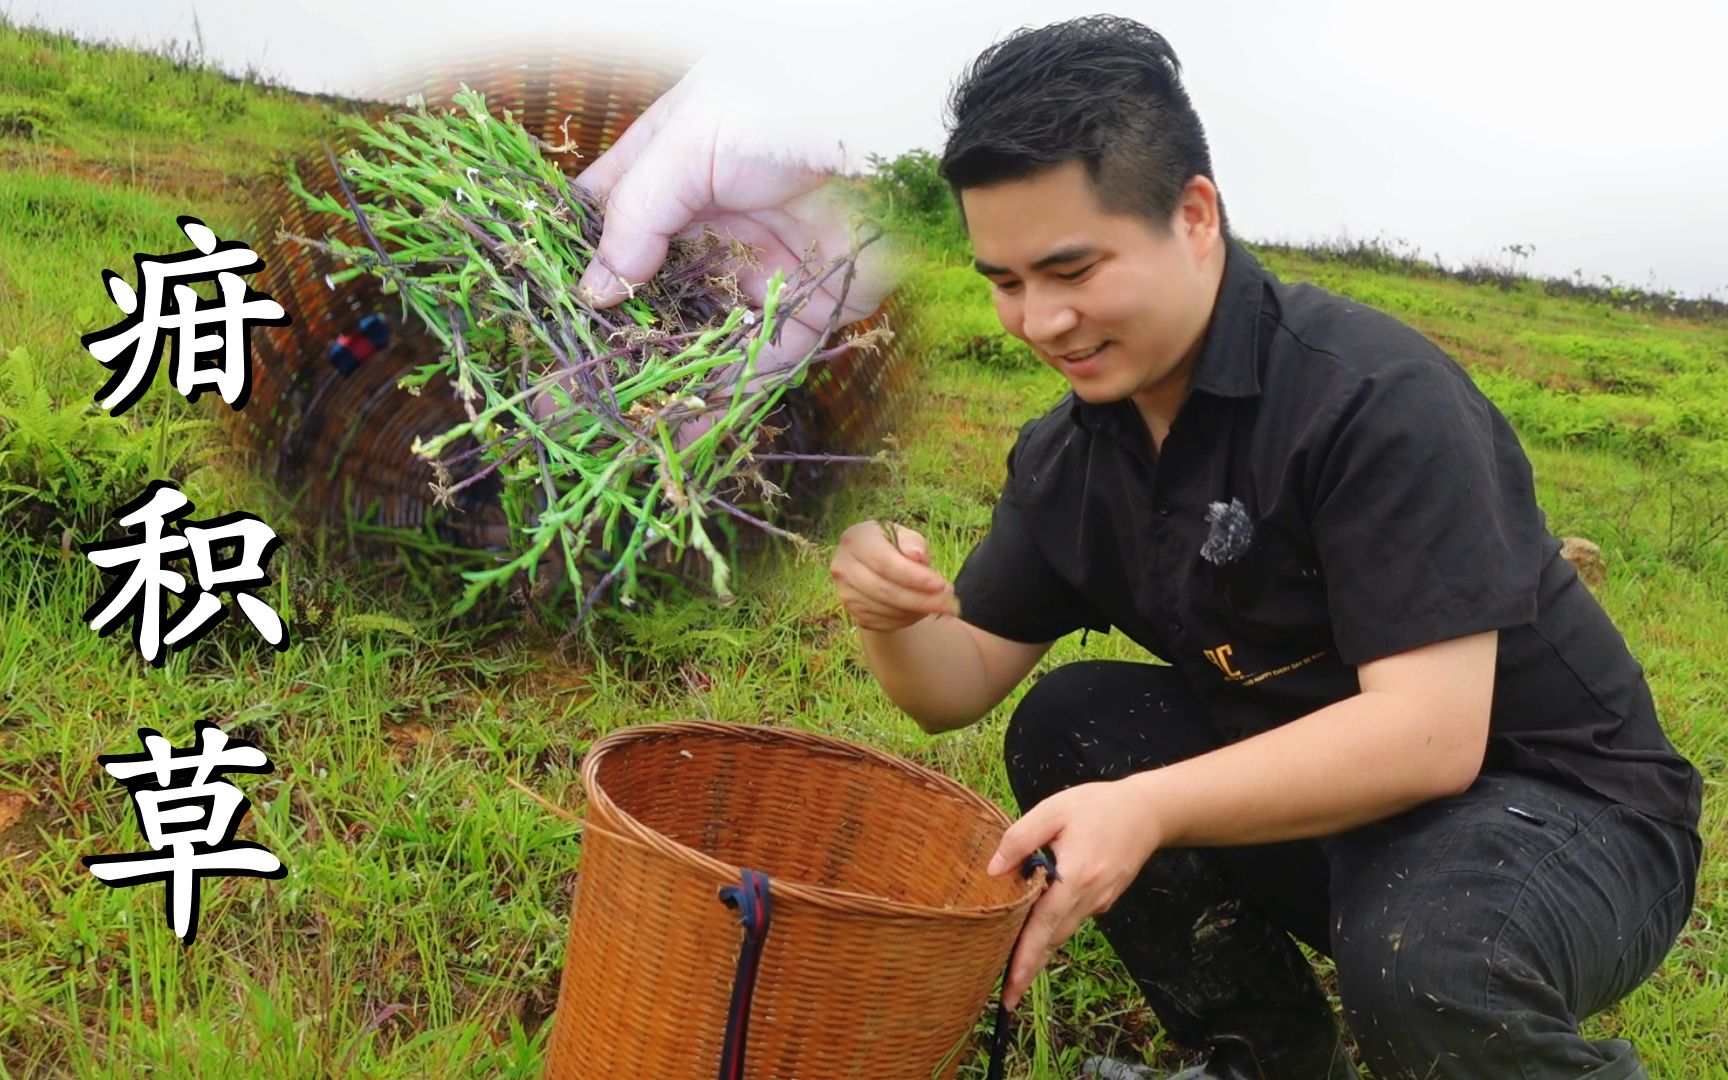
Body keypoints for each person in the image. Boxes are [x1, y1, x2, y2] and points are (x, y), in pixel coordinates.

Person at [828, 16, 1702, 1080]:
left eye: (1072, 268)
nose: (1040, 320)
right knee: (1074, 724)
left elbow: (1431, 739)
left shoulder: (1371, 400)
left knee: (1425, 956)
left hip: (1563, 816)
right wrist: (893, 615)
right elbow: (952, 686)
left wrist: (1147, 808)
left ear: (1194, 215)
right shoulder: (1074, 454)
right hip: (1342, 803)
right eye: (1005, 282)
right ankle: (1264, 1058)